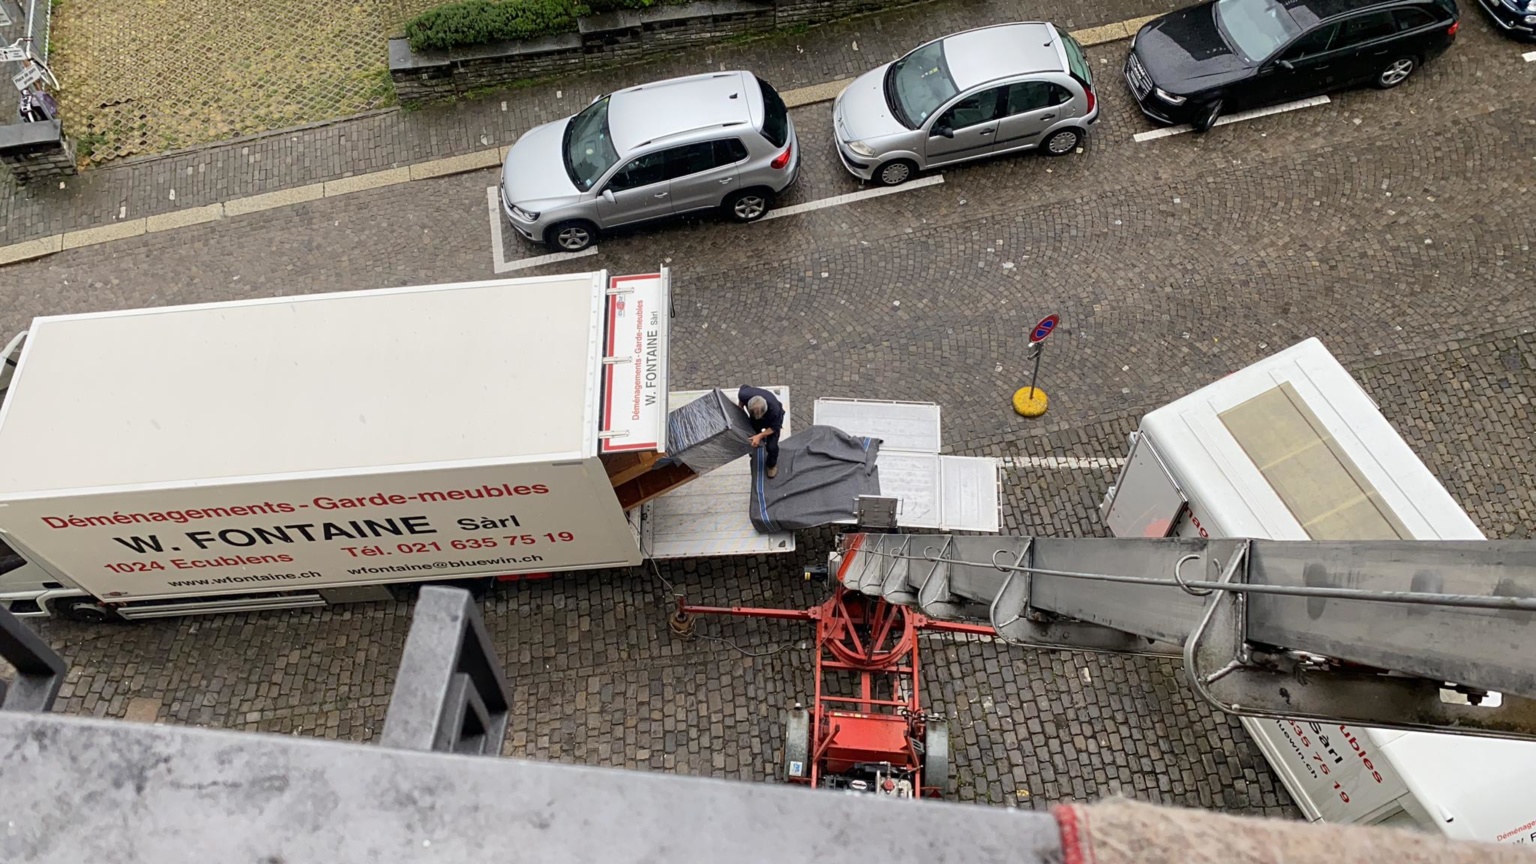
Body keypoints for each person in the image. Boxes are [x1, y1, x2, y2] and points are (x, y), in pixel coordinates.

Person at [737, 385, 785, 478]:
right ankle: (755, 447)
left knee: (772, 447)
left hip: (771, 423)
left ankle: (771, 465)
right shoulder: (744, 394)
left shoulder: (775, 411)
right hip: (754, 420)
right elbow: (743, 393)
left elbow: (774, 428)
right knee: (751, 435)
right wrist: (740, 408)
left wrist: (759, 436)